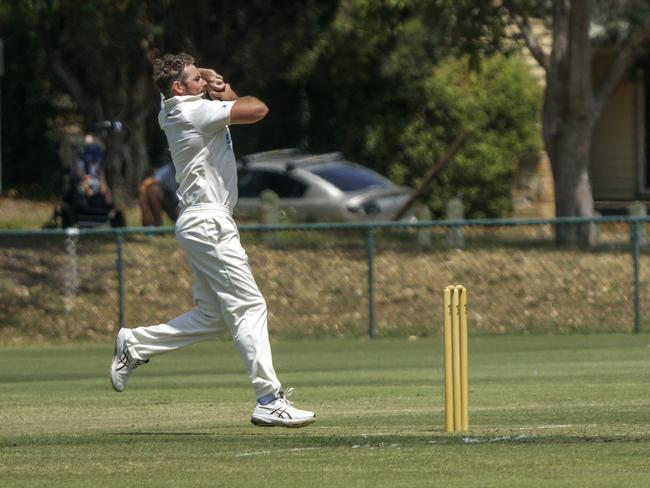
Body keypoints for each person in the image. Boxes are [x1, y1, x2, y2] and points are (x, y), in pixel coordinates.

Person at [109, 53, 315, 428]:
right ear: (179, 88)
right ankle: (269, 399)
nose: (202, 82)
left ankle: (136, 344)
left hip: (199, 222)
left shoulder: (170, 107)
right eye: (195, 79)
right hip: (209, 222)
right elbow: (256, 110)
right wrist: (218, 87)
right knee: (250, 306)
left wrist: (209, 80)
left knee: (214, 316)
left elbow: (227, 100)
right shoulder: (193, 112)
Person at [138, 161, 180, 226]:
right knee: (153, 190)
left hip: (191, 205)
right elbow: (145, 185)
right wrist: (145, 210)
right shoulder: (169, 169)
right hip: (174, 205)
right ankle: (156, 225)